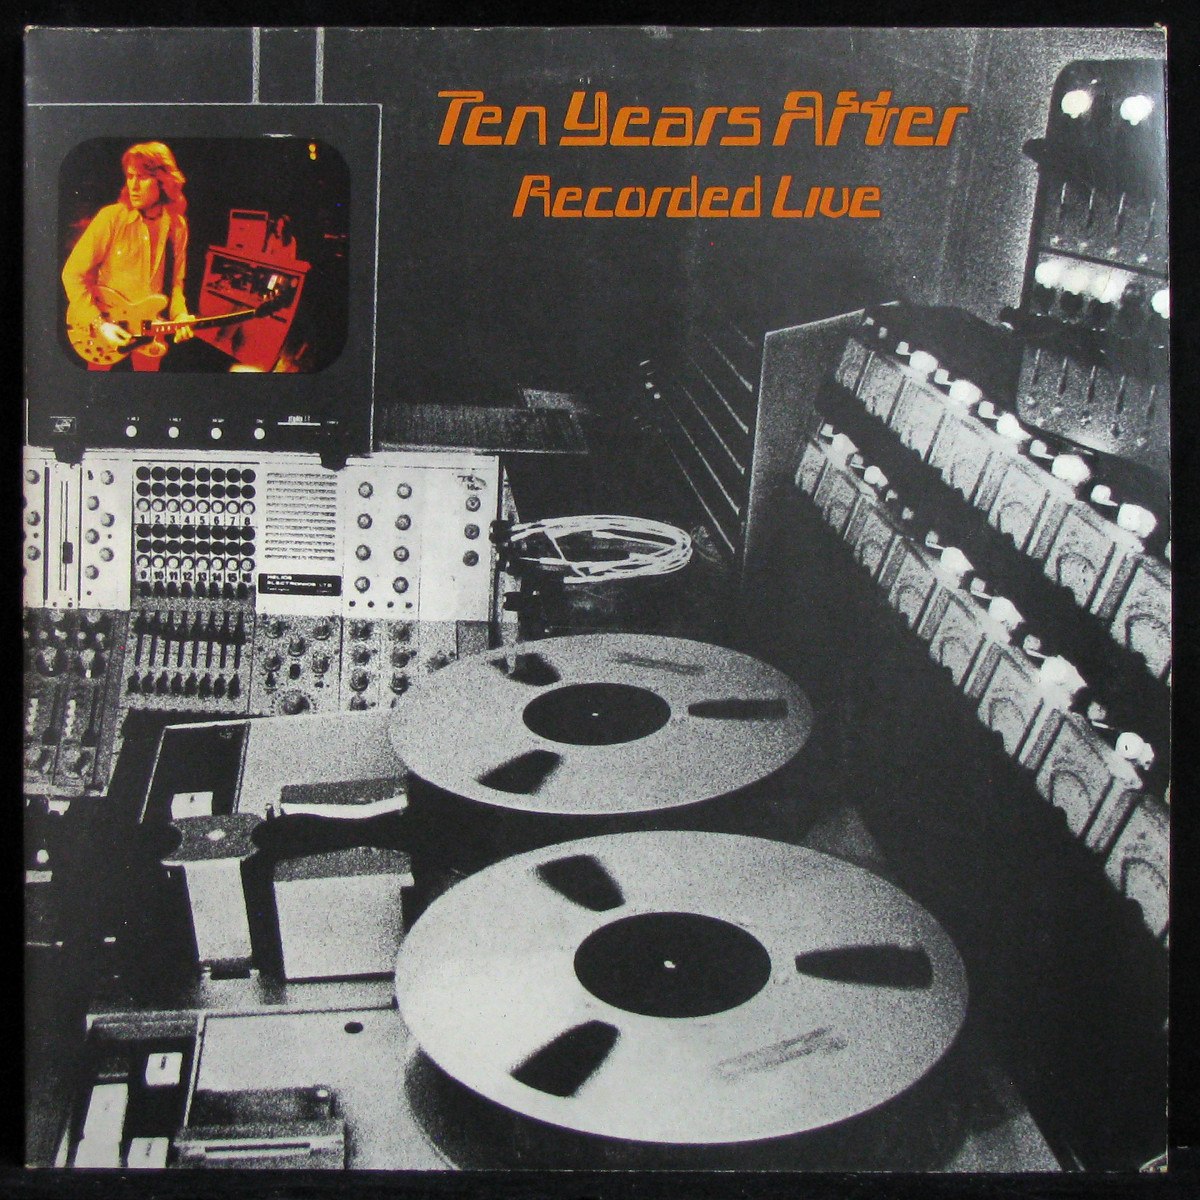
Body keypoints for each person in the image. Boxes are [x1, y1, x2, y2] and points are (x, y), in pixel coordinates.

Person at [62, 141, 195, 371]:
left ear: (163, 181)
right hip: (105, 328)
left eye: (141, 177)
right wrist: (99, 323)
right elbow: (72, 274)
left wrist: (180, 315)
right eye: (130, 176)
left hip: (149, 331)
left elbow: (175, 285)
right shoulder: (112, 217)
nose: (133, 185)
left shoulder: (177, 226)